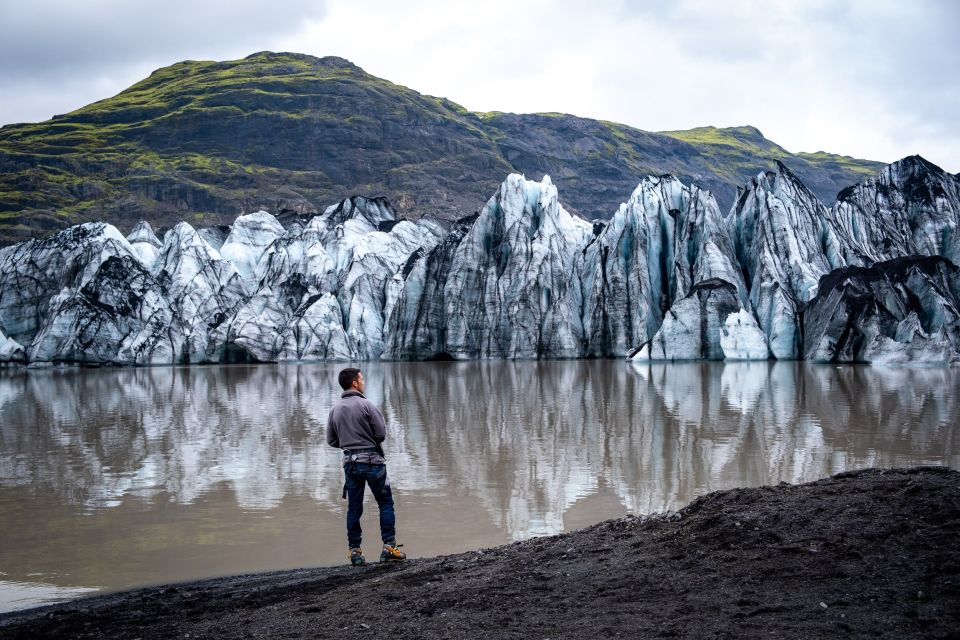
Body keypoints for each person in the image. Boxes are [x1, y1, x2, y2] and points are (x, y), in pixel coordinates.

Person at [326, 367, 406, 566]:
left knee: (354, 508)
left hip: (350, 463)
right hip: (372, 461)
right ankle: (389, 548)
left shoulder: (335, 409)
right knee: (385, 503)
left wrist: (349, 443)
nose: (363, 382)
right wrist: (366, 441)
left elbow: (331, 440)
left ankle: (355, 553)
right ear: (354, 383)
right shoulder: (367, 405)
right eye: (361, 379)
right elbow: (381, 434)